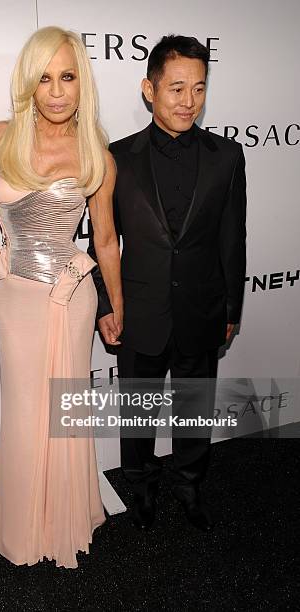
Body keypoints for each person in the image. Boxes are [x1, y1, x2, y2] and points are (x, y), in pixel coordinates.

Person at [0, 26, 122, 569]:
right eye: (44, 78)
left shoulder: (95, 148)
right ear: (28, 84)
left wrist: (115, 305)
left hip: (72, 298)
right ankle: (21, 527)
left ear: (82, 82)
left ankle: (67, 517)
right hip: (18, 300)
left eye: (68, 76)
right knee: (24, 409)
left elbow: (105, 237)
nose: (56, 91)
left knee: (65, 410)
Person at [88, 35, 247, 531]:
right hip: (138, 307)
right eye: (176, 88)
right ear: (148, 89)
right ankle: (140, 486)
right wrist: (104, 305)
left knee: (194, 407)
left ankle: (189, 484)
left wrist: (231, 310)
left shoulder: (227, 156)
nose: (188, 101)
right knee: (137, 411)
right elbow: (102, 240)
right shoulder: (117, 157)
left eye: (198, 89)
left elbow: (232, 238)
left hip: (202, 308)